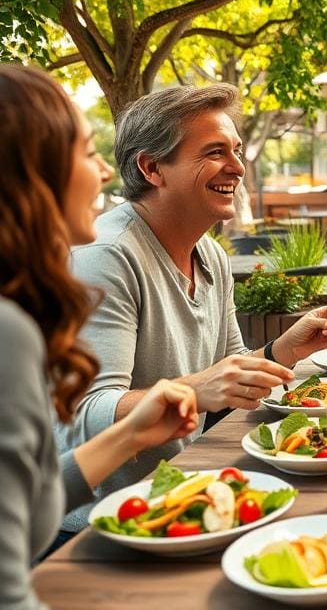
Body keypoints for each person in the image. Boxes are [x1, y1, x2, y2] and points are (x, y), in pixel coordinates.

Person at [56, 84, 327, 533]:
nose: (236, 167)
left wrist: (282, 352)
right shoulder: (107, 256)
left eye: (236, 150)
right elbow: (87, 411)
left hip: (184, 501)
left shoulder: (209, 254)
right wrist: (195, 388)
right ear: (152, 168)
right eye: (215, 152)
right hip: (103, 526)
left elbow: (225, 375)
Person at [0, 65, 200, 609]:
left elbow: (23, 501)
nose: (104, 175)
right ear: (32, 174)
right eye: (87, 153)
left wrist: (131, 435)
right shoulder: (9, 332)